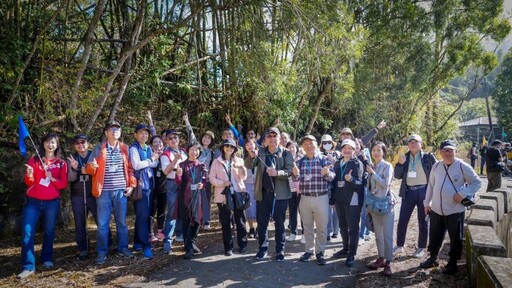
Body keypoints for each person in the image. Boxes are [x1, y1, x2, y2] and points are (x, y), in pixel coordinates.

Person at [421, 140, 481, 275]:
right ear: (440, 152)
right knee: (435, 234)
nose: (447, 153)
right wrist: (427, 203)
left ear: (455, 151)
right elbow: (430, 186)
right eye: (444, 150)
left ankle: (453, 263)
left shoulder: (462, 166)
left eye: (450, 150)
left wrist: (463, 193)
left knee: (455, 237)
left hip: (455, 210)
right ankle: (432, 257)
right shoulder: (436, 166)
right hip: (436, 208)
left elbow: (477, 182)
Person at [86, 120, 137, 265]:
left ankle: (123, 248)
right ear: (106, 132)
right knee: (102, 224)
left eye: (117, 129)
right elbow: (89, 169)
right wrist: (92, 166)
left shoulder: (125, 148)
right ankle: (102, 252)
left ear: (120, 133)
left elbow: (130, 169)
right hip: (103, 192)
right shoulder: (98, 148)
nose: (115, 131)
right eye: (112, 129)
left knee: (121, 222)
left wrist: (131, 186)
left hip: (121, 191)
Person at [18, 133, 68, 279]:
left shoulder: (61, 163)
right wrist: (29, 174)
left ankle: (47, 259)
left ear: (57, 145)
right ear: (43, 144)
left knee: (49, 231)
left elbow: (63, 184)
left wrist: (52, 178)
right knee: (27, 232)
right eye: (47, 142)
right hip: (32, 202)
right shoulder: (34, 160)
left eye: (53, 142)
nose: (50, 145)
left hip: (51, 203)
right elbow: (29, 182)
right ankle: (28, 266)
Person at [245, 127, 295, 261]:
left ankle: (280, 250)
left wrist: (277, 173)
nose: (272, 138)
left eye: (275, 136)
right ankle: (262, 249)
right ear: (265, 139)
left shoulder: (286, 153)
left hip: (280, 195)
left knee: (279, 223)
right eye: (269, 136)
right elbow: (249, 165)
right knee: (262, 223)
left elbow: (290, 171)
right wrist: (251, 155)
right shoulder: (260, 152)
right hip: (263, 193)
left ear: (279, 138)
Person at [67, 134, 111, 260]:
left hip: (94, 193)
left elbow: (102, 171)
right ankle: (83, 248)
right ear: (74, 145)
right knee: (80, 222)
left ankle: (108, 243)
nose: (81, 145)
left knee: (101, 219)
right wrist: (74, 169)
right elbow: (70, 179)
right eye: (77, 143)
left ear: (88, 143)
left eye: (83, 142)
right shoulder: (71, 158)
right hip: (78, 195)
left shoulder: (95, 155)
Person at [393, 134, 436, 258]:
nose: (413, 144)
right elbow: (397, 176)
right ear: (408, 145)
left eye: (416, 142)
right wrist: (400, 164)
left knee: (423, 221)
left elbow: (437, 172)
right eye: (410, 142)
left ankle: (421, 247)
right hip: (408, 192)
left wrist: (433, 195)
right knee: (402, 220)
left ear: (421, 144)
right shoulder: (404, 157)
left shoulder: (428, 157)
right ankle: (399, 245)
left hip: (424, 191)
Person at [294, 135, 335, 265]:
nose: (308, 146)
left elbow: (332, 177)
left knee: (322, 227)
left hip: (321, 197)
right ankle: (309, 250)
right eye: (305, 144)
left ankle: (320, 252)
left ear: (317, 145)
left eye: (311, 143)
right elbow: (296, 181)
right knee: (307, 227)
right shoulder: (300, 162)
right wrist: (295, 174)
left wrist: (326, 173)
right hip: (305, 198)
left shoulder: (324, 159)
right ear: (303, 147)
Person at [210, 139, 248, 255]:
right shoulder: (216, 162)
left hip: (237, 193)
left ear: (234, 149)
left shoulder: (239, 160)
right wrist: (223, 183)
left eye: (231, 147)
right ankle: (228, 247)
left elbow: (243, 177)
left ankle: (242, 244)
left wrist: (240, 167)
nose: (229, 149)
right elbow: (212, 178)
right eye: (227, 146)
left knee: (240, 220)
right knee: (225, 222)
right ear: (223, 148)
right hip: (223, 195)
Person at [330, 139, 365, 267]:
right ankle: (345, 249)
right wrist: (332, 199)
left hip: (352, 200)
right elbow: (333, 182)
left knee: (353, 228)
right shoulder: (337, 162)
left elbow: (360, 184)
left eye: (350, 148)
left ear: (354, 150)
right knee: (342, 226)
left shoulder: (357, 163)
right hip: (339, 199)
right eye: (345, 148)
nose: (347, 150)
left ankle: (352, 253)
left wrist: (351, 179)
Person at [129, 124, 159, 259]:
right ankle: (146, 246)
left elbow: (154, 164)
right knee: (142, 216)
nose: (144, 136)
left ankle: (137, 242)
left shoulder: (147, 148)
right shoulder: (133, 148)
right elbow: (136, 165)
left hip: (150, 185)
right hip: (140, 186)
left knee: (145, 215)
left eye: (146, 134)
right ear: (135, 135)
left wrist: (150, 160)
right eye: (141, 133)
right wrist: (151, 159)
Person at [366, 142, 395, 276]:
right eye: (374, 150)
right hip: (374, 204)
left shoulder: (387, 166)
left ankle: (388, 262)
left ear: (383, 152)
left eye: (379, 150)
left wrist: (373, 173)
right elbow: (369, 187)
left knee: (387, 235)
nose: (376, 153)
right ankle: (381, 258)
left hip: (386, 204)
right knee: (378, 234)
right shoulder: (371, 166)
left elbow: (386, 184)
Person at [183, 113, 215, 230]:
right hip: (193, 178)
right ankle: (194, 219)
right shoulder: (196, 148)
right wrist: (187, 121)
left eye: (209, 138)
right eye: (205, 137)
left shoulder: (212, 152)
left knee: (206, 199)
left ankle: (206, 221)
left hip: (205, 179)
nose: (206, 139)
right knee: (192, 199)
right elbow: (191, 134)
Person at [177, 143, 207, 259]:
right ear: (188, 151)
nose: (194, 152)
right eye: (192, 150)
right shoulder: (182, 165)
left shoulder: (201, 165)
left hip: (198, 197)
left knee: (197, 220)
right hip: (186, 196)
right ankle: (188, 248)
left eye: (196, 150)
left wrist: (202, 185)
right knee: (186, 221)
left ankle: (192, 242)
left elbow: (205, 180)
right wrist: (178, 175)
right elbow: (178, 181)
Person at [160, 129, 188, 254]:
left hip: (184, 184)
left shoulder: (183, 151)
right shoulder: (165, 154)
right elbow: (166, 171)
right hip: (172, 184)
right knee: (172, 212)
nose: (173, 140)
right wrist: (176, 160)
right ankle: (167, 241)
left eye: (175, 138)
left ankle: (180, 233)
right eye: (170, 138)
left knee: (183, 209)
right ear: (166, 141)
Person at [319, 134, 340, 241]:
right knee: (327, 210)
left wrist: (334, 161)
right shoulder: (319, 155)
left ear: (332, 143)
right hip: (325, 185)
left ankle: (336, 231)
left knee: (336, 209)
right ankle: (328, 232)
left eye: (329, 142)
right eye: (324, 142)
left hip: (337, 185)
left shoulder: (338, 154)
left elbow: (341, 167)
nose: (327, 144)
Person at [149, 135, 166, 241]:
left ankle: (160, 231)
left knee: (162, 210)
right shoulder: (149, 155)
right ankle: (150, 233)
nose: (158, 144)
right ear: (151, 145)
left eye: (160, 142)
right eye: (155, 142)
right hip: (152, 188)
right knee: (152, 210)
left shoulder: (166, 155)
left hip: (164, 188)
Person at [286, 141, 302, 242]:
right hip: (289, 189)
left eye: (293, 147)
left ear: (297, 148)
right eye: (289, 147)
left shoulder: (301, 160)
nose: (291, 149)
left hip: (301, 190)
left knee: (303, 212)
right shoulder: (284, 159)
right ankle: (293, 232)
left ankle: (304, 233)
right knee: (292, 212)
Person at [244, 138, 259, 238]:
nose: (250, 146)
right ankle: (251, 228)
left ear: (255, 145)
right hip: (247, 184)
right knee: (249, 207)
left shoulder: (261, 155)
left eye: (252, 144)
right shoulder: (242, 157)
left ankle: (258, 228)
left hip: (259, 184)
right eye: (247, 145)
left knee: (259, 207)